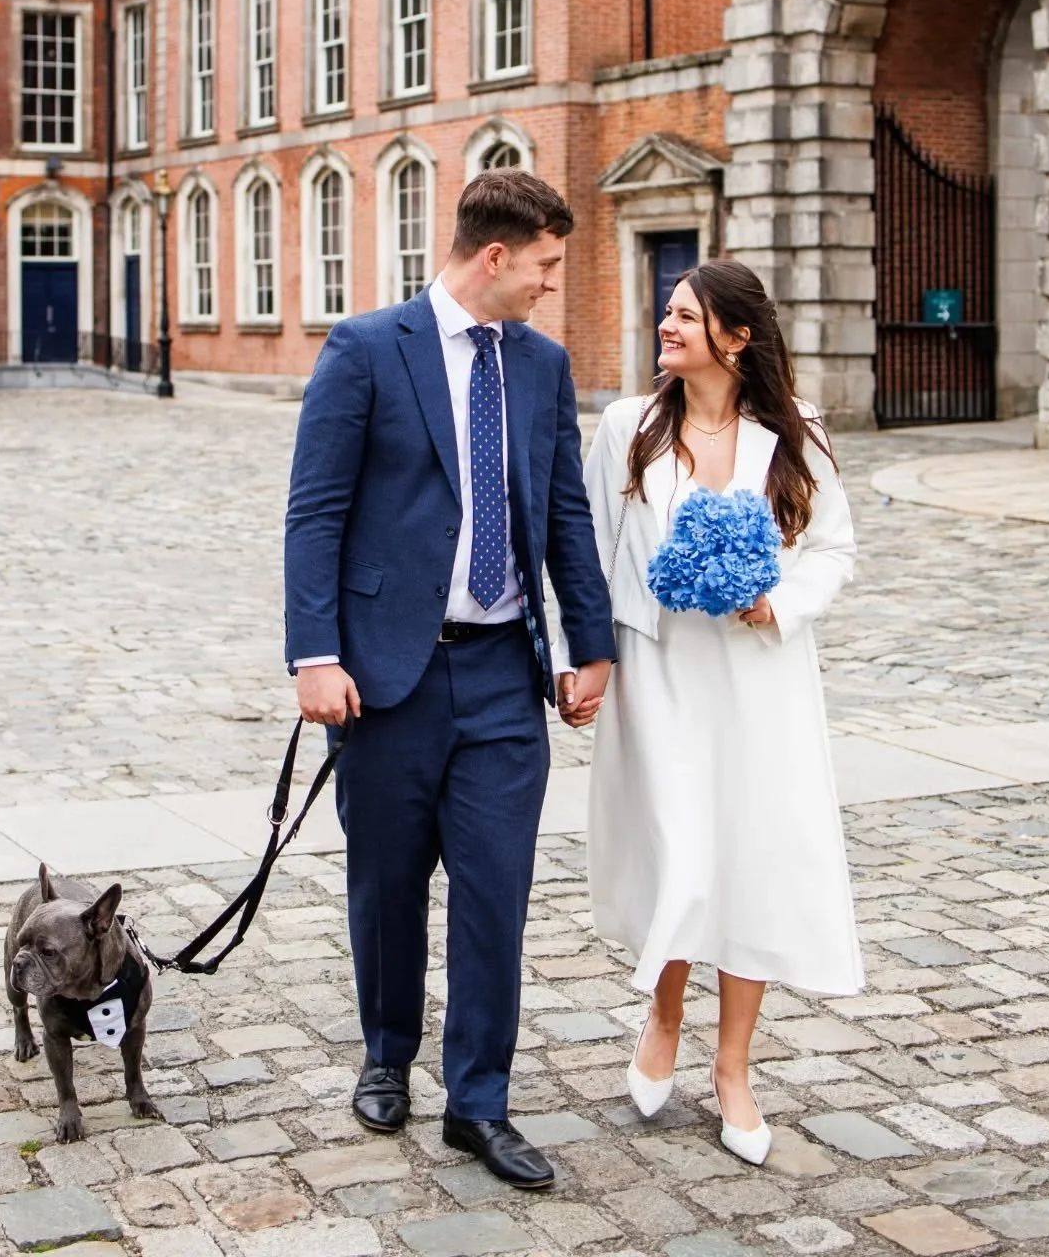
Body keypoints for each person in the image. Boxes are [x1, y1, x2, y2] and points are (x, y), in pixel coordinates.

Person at [284, 169, 616, 1189]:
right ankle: (388, 1055)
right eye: (548, 266)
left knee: (493, 894)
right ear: (495, 257)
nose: (553, 285)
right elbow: (316, 512)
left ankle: (480, 1102)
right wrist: (315, 655)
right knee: (387, 884)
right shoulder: (367, 350)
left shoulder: (544, 367)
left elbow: (565, 512)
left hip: (503, 679)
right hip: (389, 680)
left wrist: (590, 643)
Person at [580, 259, 861, 1167]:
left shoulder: (796, 433)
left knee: (750, 861)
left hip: (759, 681)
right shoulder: (629, 428)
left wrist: (775, 602)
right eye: (666, 313)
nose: (667, 328)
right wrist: (582, 663)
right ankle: (662, 1019)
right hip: (660, 679)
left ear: (736, 339)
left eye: (687, 318)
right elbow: (588, 555)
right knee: (679, 853)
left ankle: (733, 1069)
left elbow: (832, 550)